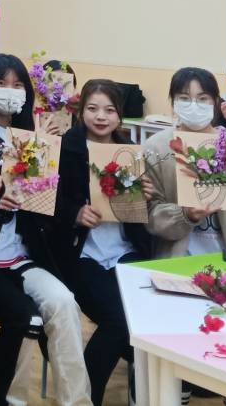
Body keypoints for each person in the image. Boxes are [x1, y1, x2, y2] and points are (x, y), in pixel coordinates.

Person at [0, 53, 90, 406]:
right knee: (25, 318)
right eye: (1, 83)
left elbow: (47, 208)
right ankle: (10, 399)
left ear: (27, 92)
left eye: (17, 85)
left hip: (21, 257)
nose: (9, 91)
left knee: (64, 303)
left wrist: (49, 156)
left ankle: (77, 402)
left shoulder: (32, 137)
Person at [59, 79, 154, 406]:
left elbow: (140, 215)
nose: (101, 117)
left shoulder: (129, 151)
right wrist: (74, 213)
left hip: (126, 252)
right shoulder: (66, 148)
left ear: (120, 115)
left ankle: (145, 391)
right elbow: (46, 202)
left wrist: (146, 196)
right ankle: (86, 397)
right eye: (93, 108)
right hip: (82, 255)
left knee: (145, 317)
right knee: (119, 321)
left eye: (110, 110)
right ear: (81, 111)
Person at [143, 67, 226, 259]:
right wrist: (185, 214)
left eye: (203, 99)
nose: (194, 105)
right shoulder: (156, 148)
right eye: (184, 98)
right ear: (173, 102)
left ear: (216, 102)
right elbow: (150, 217)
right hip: (176, 260)